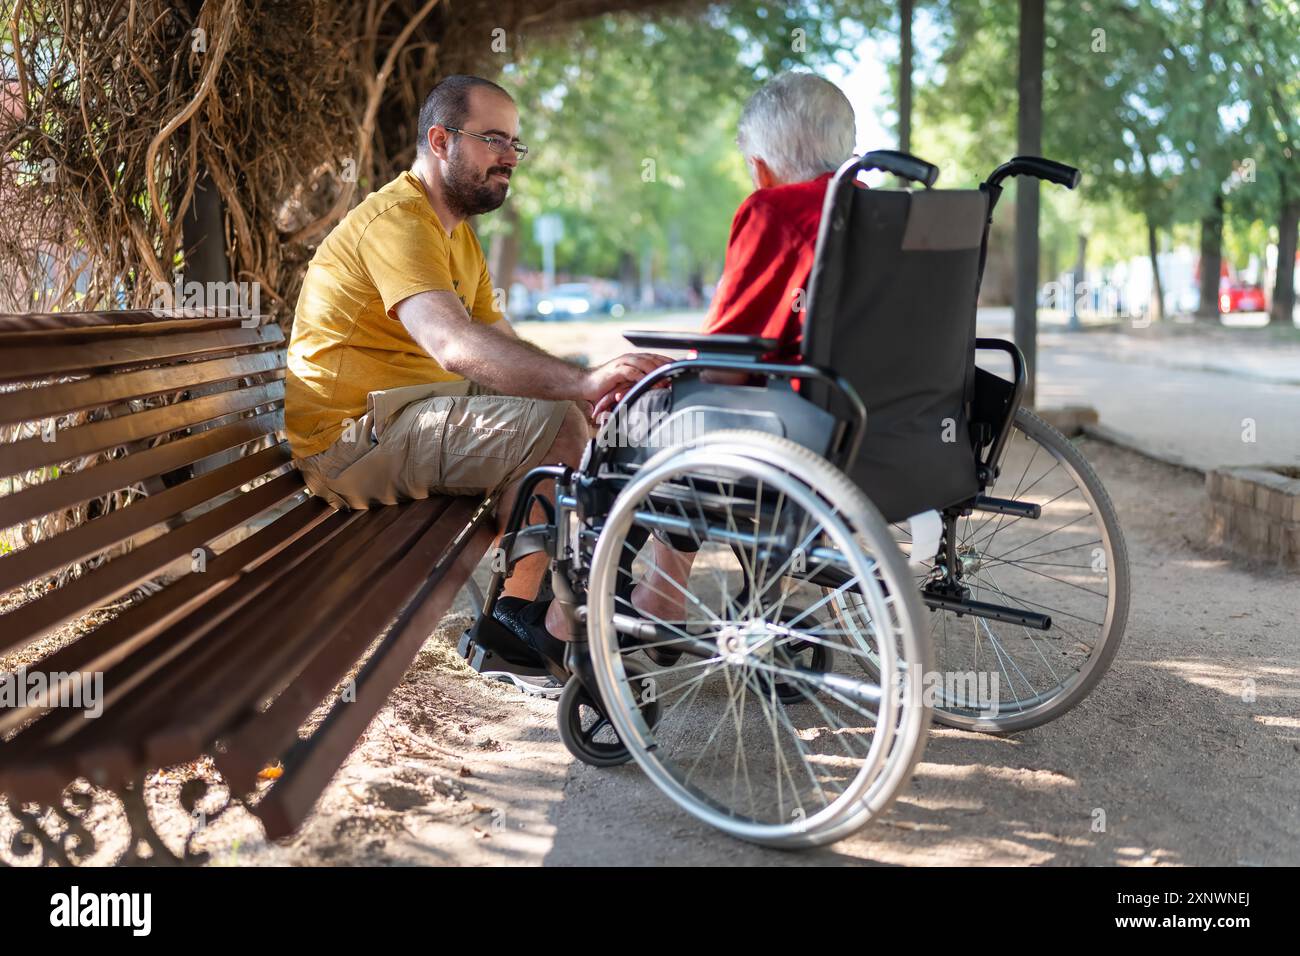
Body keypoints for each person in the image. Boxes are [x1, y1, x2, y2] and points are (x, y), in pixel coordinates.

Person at [285, 74, 669, 672]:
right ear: (440, 141)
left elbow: (501, 345)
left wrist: (586, 384)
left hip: (405, 422)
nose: (510, 157)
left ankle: (519, 616)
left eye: (516, 144)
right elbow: (452, 344)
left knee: (562, 415)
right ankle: (523, 620)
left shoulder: (456, 235)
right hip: (348, 443)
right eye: (494, 140)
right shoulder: (398, 221)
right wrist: (577, 386)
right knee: (556, 423)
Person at [625, 72, 858, 628]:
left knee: (639, 418)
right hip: (882, 428)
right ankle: (715, 595)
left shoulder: (772, 211)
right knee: (682, 410)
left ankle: (659, 595)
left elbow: (725, 362)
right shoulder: (883, 211)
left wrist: (664, 380)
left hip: (799, 434)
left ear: (762, 167)